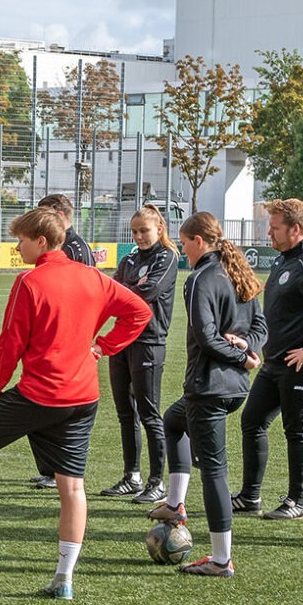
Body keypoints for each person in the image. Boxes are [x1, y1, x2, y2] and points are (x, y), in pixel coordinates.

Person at [0, 208, 150, 599]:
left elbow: (10, 344)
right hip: (84, 397)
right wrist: (103, 347)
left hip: (42, 395)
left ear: (41, 241)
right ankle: (63, 580)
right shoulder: (93, 278)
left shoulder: (30, 281)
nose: (16, 247)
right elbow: (140, 311)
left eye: (20, 239)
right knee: (72, 487)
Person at [146, 213, 265, 578]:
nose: (182, 251)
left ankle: (220, 560)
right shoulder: (237, 271)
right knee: (172, 419)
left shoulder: (200, 279)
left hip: (209, 388)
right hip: (233, 389)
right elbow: (260, 325)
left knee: (214, 473)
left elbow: (207, 338)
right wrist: (249, 347)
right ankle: (175, 504)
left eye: (183, 243)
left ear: (199, 241)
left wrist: (243, 356)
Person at [235, 199, 303, 520]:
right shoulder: (283, 260)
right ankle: (250, 497)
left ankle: (297, 502)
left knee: (297, 429)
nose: (269, 231)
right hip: (276, 360)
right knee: (252, 420)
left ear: (296, 229)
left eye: (275, 227)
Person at [100, 205, 179, 504]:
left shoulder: (167, 256)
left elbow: (147, 294)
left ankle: (157, 482)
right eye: (134, 232)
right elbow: (113, 293)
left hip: (149, 340)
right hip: (122, 339)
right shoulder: (130, 258)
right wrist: (130, 289)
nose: (139, 236)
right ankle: (131, 476)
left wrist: (128, 290)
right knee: (125, 412)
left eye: (144, 231)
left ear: (159, 228)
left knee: (149, 412)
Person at [29, 194, 94, 490]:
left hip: (69, 344)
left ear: (58, 214)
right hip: (50, 341)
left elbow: (89, 295)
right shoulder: (52, 245)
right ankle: (51, 470)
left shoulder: (77, 248)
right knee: (38, 406)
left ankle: (62, 472)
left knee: (59, 410)